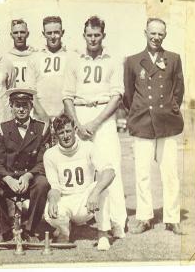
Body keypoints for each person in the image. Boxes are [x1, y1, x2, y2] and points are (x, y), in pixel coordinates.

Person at [62, 16, 127, 238]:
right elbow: (67, 97)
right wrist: (78, 125)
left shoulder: (113, 60)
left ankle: (117, 221)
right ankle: (84, 217)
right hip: (80, 113)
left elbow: (117, 96)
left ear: (103, 36)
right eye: (89, 35)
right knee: (83, 166)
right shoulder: (74, 61)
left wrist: (96, 122)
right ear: (84, 36)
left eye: (97, 35)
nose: (93, 39)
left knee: (110, 166)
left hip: (104, 116)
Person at [123, 18, 184, 235]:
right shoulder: (132, 61)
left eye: (160, 34)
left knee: (170, 173)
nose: (156, 37)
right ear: (145, 33)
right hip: (142, 124)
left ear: (165, 35)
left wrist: (168, 110)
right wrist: (139, 113)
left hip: (167, 124)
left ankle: (172, 218)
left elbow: (178, 91)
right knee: (142, 174)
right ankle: (144, 217)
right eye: (153, 33)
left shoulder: (174, 59)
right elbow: (128, 95)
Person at [0, 88, 50, 243]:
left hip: (31, 178)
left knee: (42, 183)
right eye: (17, 105)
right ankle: (5, 230)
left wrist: (28, 176)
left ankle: (29, 231)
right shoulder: (2, 129)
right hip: (9, 179)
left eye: (25, 105)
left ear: (31, 107)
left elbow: (42, 161)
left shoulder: (42, 128)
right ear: (11, 107)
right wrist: (8, 179)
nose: (21, 109)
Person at [44, 114, 115, 250]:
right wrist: (52, 200)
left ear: (75, 130)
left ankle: (103, 235)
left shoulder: (88, 147)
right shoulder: (50, 154)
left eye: (68, 131)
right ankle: (65, 231)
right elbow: (54, 187)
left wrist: (95, 193)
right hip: (66, 200)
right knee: (49, 212)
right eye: (61, 132)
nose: (66, 136)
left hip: (86, 201)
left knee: (103, 188)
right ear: (56, 134)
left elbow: (110, 171)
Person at [29, 16, 69, 119]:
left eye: (56, 32)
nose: (53, 36)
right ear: (44, 34)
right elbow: (31, 92)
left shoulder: (71, 57)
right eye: (49, 33)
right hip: (41, 118)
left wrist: (64, 114)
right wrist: (44, 117)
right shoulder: (35, 57)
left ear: (62, 33)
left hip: (64, 118)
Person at [6, 19, 37, 88]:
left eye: (22, 32)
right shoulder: (7, 58)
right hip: (13, 97)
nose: (19, 36)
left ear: (27, 34)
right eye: (16, 33)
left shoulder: (35, 55)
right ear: (11, 35)